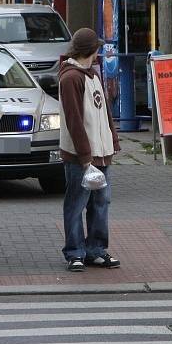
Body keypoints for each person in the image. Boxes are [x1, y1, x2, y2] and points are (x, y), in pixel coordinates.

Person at [58, 28, 121, 272]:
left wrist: (112, 141)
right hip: (81, 156)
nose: (99, 53)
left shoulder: (92, 74)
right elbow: (75, 121)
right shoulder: (71, 78)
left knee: (100, 202)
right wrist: (85, 158)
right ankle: (74, 251)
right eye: (97, 48)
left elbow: (103, 113)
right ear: (90, 50)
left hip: (101, 152)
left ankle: (96, 249)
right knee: (76, 203)